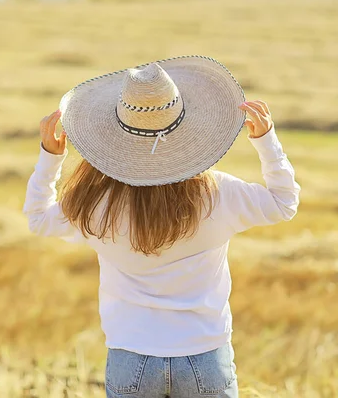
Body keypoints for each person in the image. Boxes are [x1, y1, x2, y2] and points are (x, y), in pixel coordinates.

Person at [23, 56, 300, 398]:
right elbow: (284, 203)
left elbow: (38, 218)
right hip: (205, 354)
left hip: (130, 354)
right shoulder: (218, 194)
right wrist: (267, 142)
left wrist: (50, 157)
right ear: (188, 131)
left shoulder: (96, 204)